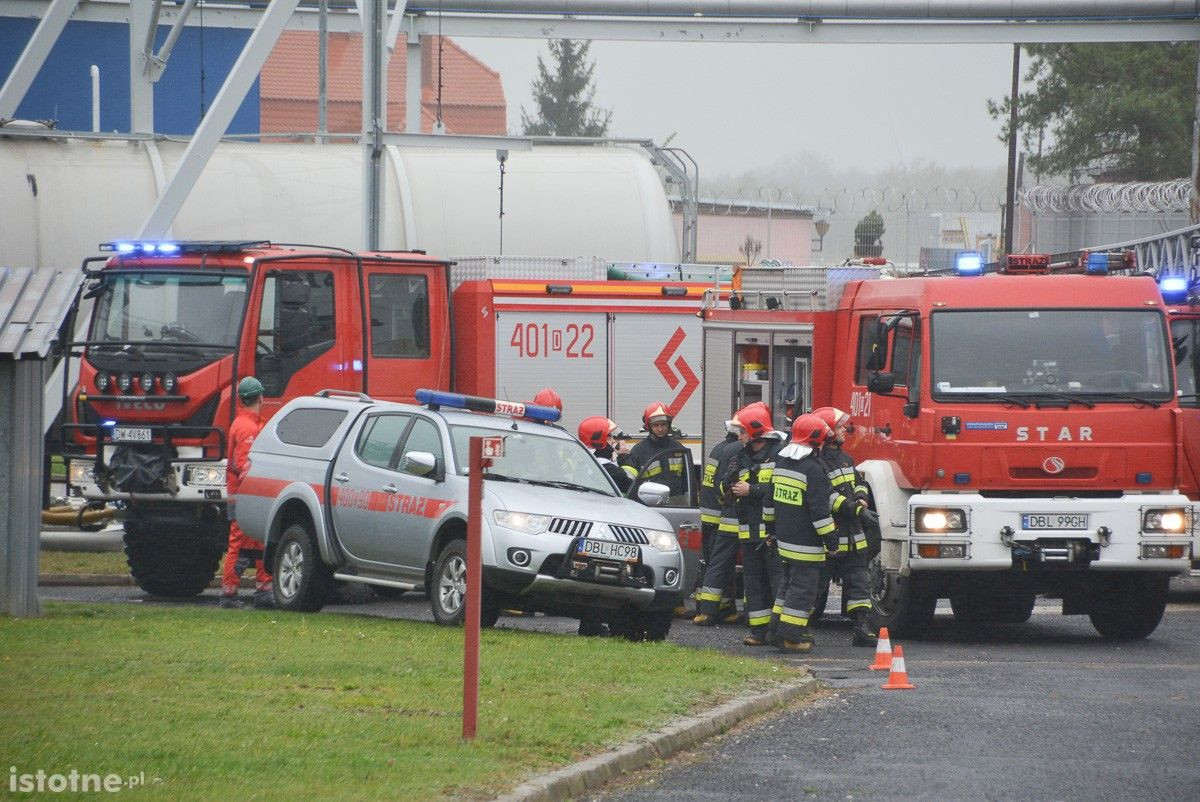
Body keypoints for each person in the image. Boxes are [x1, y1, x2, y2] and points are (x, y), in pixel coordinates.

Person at [768, 414, 838, 653]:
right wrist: (831, 540)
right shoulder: (813, 470)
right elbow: (819, 512)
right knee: (802, 592)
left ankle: (775, 631)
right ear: (816, 441)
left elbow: (769, 503)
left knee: (786, 587)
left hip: (785, 541)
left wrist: (770, 531)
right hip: (806, 545)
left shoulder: (781, 463)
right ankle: (791, 638)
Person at [718, 402, 784, 646]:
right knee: (754, 584)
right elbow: (722, 491)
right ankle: (759, 632)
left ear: (755, 432)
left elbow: (781, 491)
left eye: (743, 431)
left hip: (772, 534)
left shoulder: (779, 455)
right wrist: (728, 484)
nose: (739, 436)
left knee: (777, 583)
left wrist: (752, 490)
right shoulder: (739, 456)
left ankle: (780, 632)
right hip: (748, 532)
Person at [813, 406, 879, 646]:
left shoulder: (845, 458)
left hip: (853, 537)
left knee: (860, 583)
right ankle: (800, 630)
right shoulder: (817, 463)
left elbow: (859, 482)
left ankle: (861, 629)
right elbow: (827, 497)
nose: (845, 430)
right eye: (840, 427)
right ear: (828, 432)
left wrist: (861, 498)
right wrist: (856, 509)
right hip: (830, 538)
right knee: (816, 587)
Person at [692, 411, 755, 626]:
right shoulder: (742, 450)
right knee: (752, 566)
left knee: (717, 564)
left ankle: (707, 610)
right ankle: (751, 613)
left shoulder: (721, 448)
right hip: (743, 517)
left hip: (724, 516)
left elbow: (718, 487)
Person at [221, 376, 273, 609]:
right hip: (246, 496)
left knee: (260, 542)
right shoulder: (248, 428)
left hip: (244, 495)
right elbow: (245, 466)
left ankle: (263, 589)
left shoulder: (243, 423)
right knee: (239, 544)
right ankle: (230, 594)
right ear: (260, 397)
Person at [621, 401, 687, 496]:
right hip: (649, 503)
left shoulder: (678, 448)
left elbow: (687, 480)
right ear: (649, 426)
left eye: (663, 424)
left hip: (676, 502)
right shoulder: (639, 451)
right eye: (655, 425)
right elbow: (628, 483)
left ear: (668, 424)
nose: (660, 429)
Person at [577, 415, 632, 493]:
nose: (613, 441)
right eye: (609, 437)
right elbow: (631, 486)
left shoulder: (583, 463)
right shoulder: (610, 470)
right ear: (598, 440)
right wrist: (625, 459)